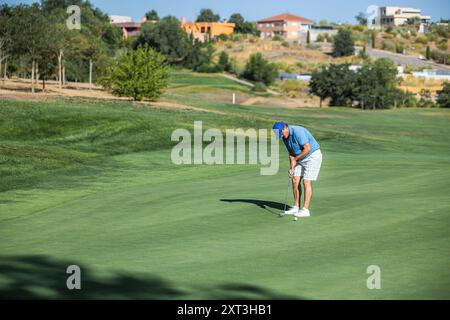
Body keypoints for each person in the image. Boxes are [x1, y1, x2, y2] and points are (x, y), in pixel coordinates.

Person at [272, 122, 323, 218]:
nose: (282, 136)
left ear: (285, 128)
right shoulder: (284, 138)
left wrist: (295, 159)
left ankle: (305, 210)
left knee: (306, 181)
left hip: (312, 156)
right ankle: (296, 207)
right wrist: (291, 167)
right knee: (295, 180)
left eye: (281, 133)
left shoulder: (298, 131)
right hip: (299, 157)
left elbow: (307, 149)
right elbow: (291, 153)